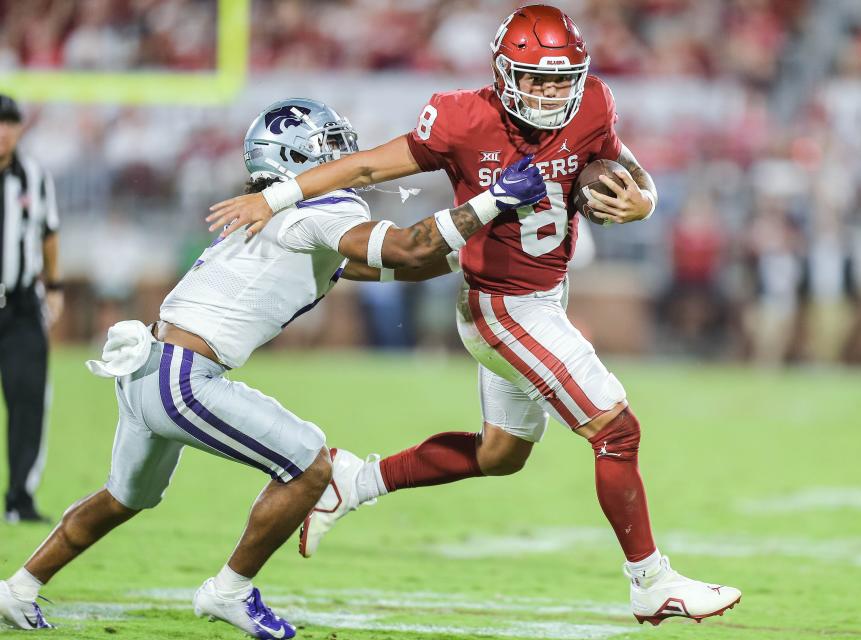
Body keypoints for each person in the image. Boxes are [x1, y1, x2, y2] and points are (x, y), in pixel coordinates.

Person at [208, 5, 741, 626]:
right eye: (535, 79)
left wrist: (643, 201)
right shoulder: (463, 117)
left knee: (501, 454)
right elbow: (368, 165)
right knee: (616, 431)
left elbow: (628, 166)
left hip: (547, 295)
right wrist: (274, 195)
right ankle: (651, 582)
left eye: (560, 78)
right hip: (501, 304)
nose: (548, 92)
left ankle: (353, 481)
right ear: (504, 73)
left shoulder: (593, 102)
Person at [0, 98, 545, 636]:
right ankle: (229, 591)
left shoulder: (285, 217)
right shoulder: (320, 213)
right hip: (181, 377)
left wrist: (480, 247)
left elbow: (404, 266)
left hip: (148, 367)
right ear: (289, 160)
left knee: (124, 498)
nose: (345, 155)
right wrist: (493, 200)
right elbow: (404, 248)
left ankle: (18, 588)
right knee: (311, 465)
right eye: (328, 147)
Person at [0, 94, 63, 524]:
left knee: (28, 401)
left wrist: (54, 285)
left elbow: (49, 233)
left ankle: (20, 497)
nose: (3, 132)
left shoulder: (35, 177)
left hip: (20, 303)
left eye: (10, 123)